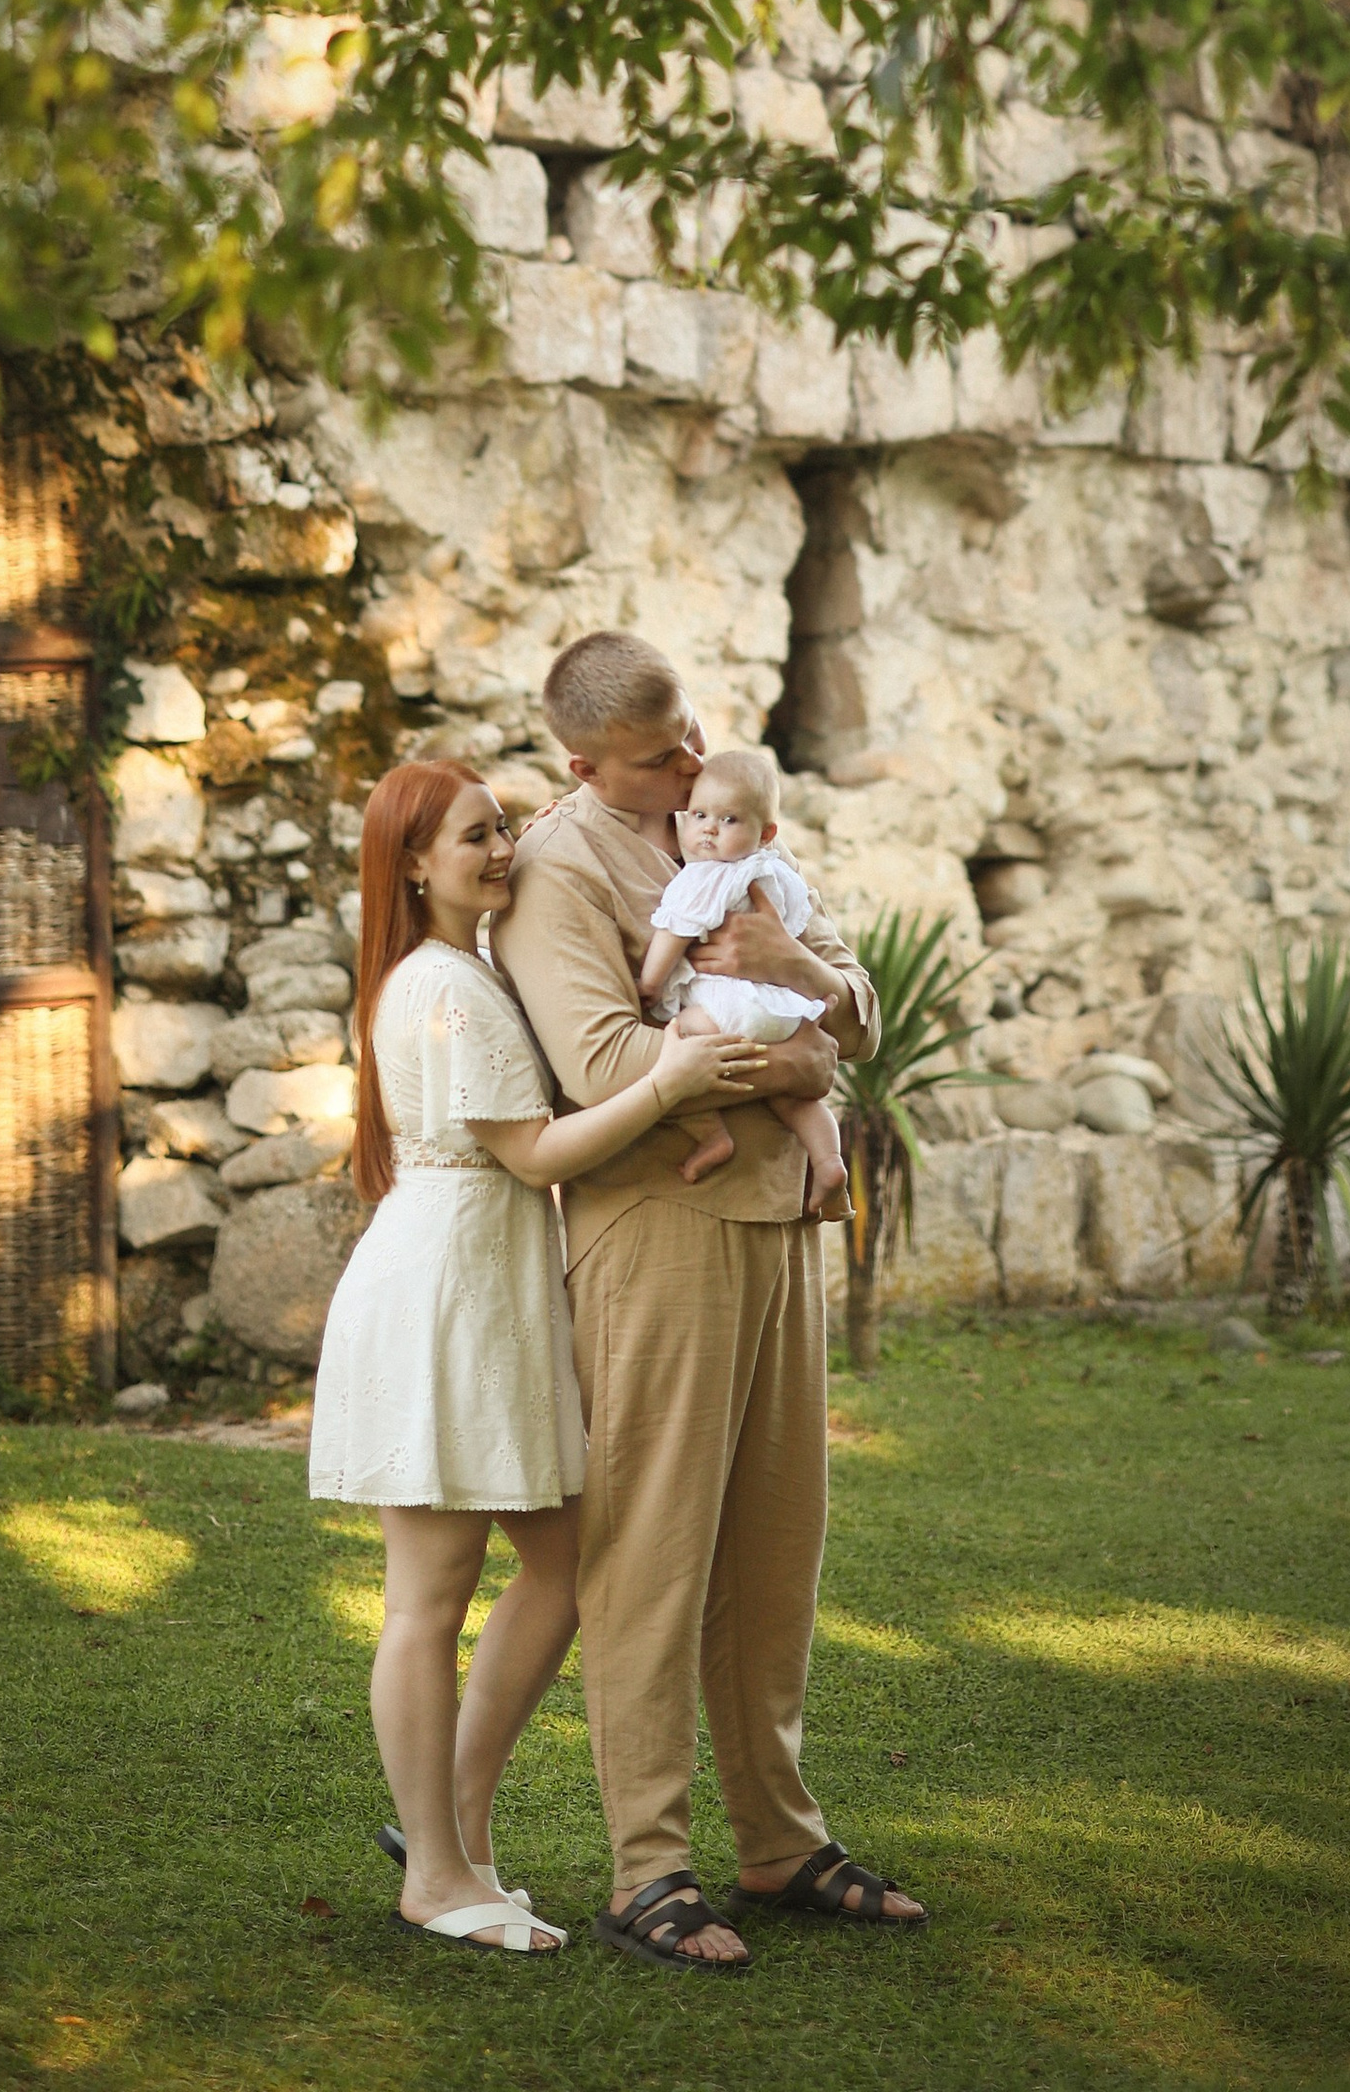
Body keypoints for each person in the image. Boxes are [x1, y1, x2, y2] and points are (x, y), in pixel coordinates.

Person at [493, 629, 929, 1971]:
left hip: (781, 1225)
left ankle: (780, 1841)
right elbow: (606, 1061)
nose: (691, 764)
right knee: (651, 1553)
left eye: (691, 734)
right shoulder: (558, 871)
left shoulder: (741, 830)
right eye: (658, 757)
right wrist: (799, 1064)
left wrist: (798, 980)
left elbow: (857, 1008)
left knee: (776, 1548)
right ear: (585, 768)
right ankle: (648, 1869)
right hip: (654, 1235)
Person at [309, 755, 761, 1957]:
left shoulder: (470, 971)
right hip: (444, 1298)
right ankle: (434, 1875)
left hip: (489, 1294)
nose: (502, 851)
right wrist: (670, 1083)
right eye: (473, 837)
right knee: (428, 1599)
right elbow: (533, 1154)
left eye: (503, 827)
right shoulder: (443, 988)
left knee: (565, 1565)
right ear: (414, 864)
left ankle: (453, 1831)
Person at [638, 745, 848, 1217]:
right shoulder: (775, 871)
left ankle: (712, 1135)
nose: (709, 829)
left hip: (730, 1008)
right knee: (793, 1099)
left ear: (766, 833)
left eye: (728, 820)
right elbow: (795, 927)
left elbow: (678, 928)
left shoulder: (707, 876)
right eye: (699, 816)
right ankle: (829, 1161)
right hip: (781, 1007)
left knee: (681, 1050)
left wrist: (650, 983)